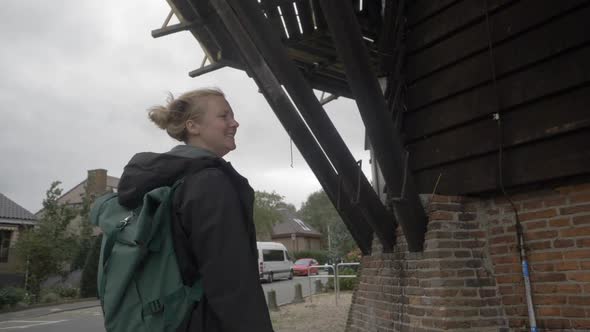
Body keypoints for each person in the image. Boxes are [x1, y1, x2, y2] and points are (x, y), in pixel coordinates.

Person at [116, 88, 274, 331]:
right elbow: (231, 283)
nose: (235, 123)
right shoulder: (210, 184)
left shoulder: (166, 178)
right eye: (224, 116)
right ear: (193, 126)